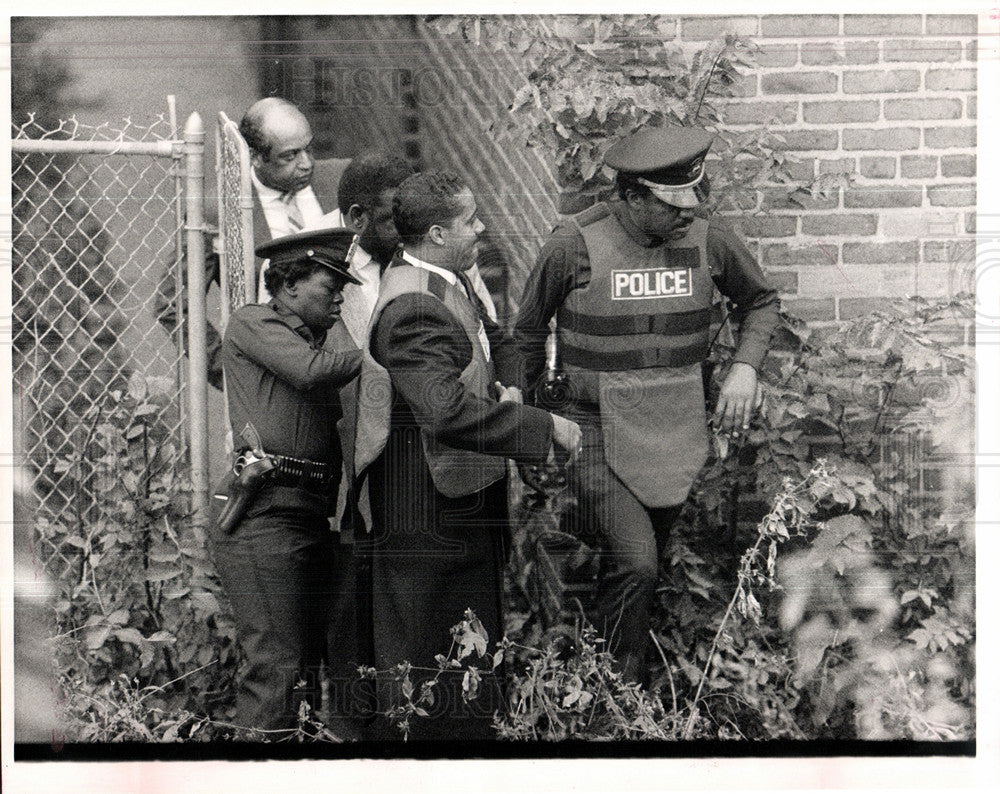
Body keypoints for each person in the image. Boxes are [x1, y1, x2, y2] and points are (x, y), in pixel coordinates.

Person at [511, 125, 780, 683]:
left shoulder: (709, 239)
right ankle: (618, 699)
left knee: (634, 569)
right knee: (637, 561)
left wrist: (745, 366)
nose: (688, 213)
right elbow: (528, 333)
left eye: (692, 198)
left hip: (674, 431)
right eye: (670, 203)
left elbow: (761, 300)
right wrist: (532, 430)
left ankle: (592, 679)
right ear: (632, 197)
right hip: (594, 428)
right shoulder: (573, 244)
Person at [353, 171, 582, 740]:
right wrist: (543, 425)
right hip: (426, 513)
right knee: (431, 654)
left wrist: (511, 389)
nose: (481, 229)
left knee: (469, 646)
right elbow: (446, 412)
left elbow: (496, 340)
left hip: (460, 497)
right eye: (469, 221)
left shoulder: (449, 277)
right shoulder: (413, 308)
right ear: (435, 233)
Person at [210, 227, 363, 734]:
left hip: (309, 512)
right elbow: (309, 372)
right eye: (329, 285)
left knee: (306, 670)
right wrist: (377, 352)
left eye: (344, 287)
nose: (339, 296)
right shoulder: (254, 322)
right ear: (291, 285)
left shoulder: (324, 337)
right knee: (274, 669)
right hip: (265, 512)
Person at [154, 97, 350, 388]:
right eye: (290, 156)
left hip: (346, 364)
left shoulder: (341, 179)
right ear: (255, 157)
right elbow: (173, 303)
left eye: (308, 149)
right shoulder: (218, 208)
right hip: (274, 379)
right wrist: (228, 370)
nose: (306, 164)